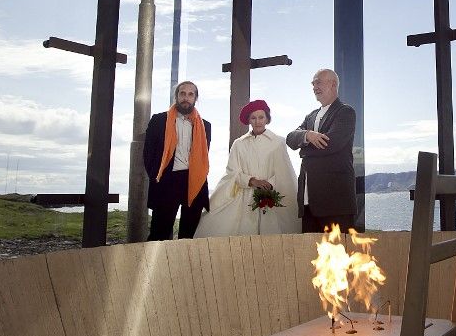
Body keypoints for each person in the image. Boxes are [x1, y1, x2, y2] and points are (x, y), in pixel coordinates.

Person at [194, 99, 300, 237]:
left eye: (261, 117)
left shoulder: (278, 142)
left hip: (270, 196)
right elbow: (232, 172)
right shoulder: (239, 144)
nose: (258, 121)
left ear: (267, 119)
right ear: (249, 120)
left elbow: (284, 171)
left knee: (271, 235)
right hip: (244, 197)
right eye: (253, 118)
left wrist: (269, 184)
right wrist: (252, 181)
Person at [287, 69, 358, 233]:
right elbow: (290, 139)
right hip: (308, 202)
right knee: (312, 256)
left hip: (336, 203)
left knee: (340, 256)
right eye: (313, 83)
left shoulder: (345, 112)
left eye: (318, 82)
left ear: (333, 84)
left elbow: (331, 144)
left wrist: (303, 150)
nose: (314, 86)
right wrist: (307, 134)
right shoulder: (310, 116)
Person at [143, 81, 211, 240]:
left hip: (194, 181)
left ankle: (183, 265)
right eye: (182, 93)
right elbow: (148, 154)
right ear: (176, 96)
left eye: (190, 94)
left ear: (195, 98)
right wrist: (156, 177)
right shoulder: (159, 120)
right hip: (167, 181)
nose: (186, 98)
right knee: (159, 234)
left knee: (188, 235)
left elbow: (203, 156)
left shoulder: (206, 126)